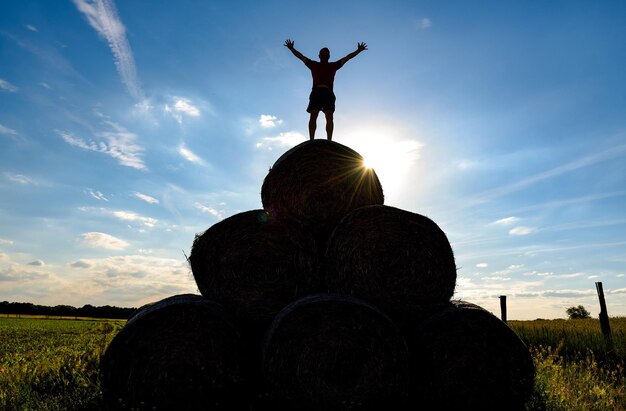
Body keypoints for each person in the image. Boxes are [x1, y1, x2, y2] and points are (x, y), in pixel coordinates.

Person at [284, 39, 367, 141]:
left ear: (329, 56)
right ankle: (311, 140)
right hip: (316, 92)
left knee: (329, 115)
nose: (324, 56)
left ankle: (329, 141)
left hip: (328, 92)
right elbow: (301, 57)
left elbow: (347, 58)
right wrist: (291, 48)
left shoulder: (333, 65)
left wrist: (358, 51)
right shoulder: (313, 64)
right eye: (323, 54)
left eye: (326, 54)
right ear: (319, 56)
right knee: (313, 114)